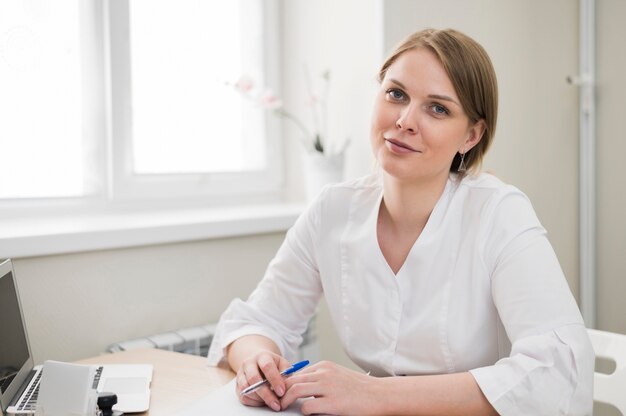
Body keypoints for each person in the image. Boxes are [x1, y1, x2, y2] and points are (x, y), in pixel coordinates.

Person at [207, 28, 594, 415]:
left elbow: (558, 371)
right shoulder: (333, 209)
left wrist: (372, 395)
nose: (406, 120)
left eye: (438, 108)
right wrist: (257, 359)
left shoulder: (499, 213)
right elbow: (257, 319)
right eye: (396, 94)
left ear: (471, 136)